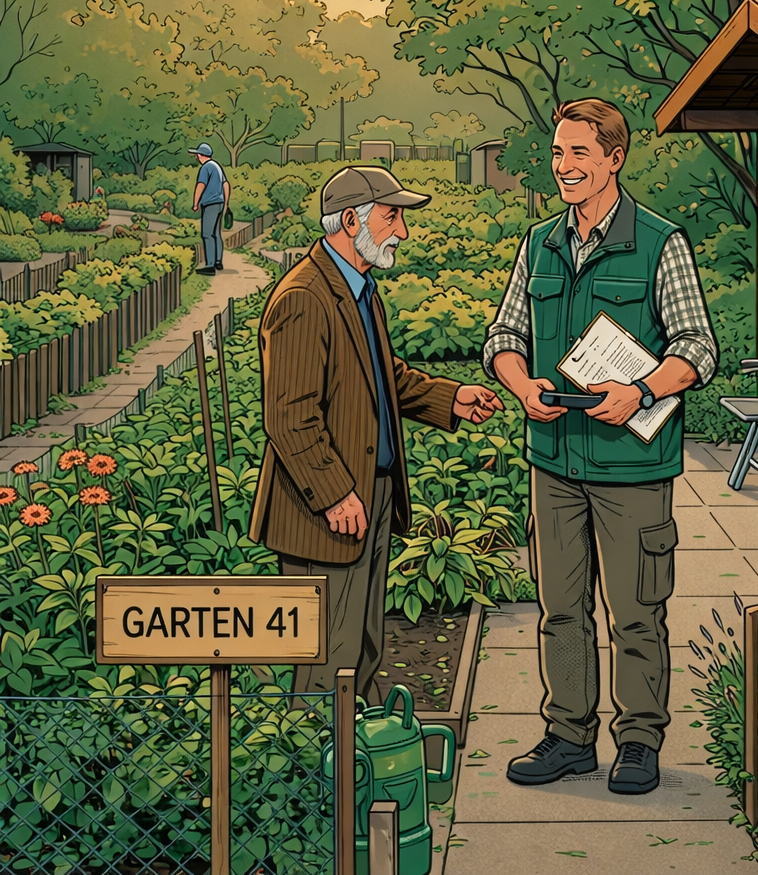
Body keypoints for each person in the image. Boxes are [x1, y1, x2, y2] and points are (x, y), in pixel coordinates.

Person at [483, 98, 719, 794]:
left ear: (615, 159)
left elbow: (698, 349)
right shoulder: (539, 244)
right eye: (559, 154)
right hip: (553, 463)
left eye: (579, 153)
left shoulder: (659, 241)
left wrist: (643, 390)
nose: (564, 167)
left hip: (633, 468)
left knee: (637, 612)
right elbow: (503, 337)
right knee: (560, 610)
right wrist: (521, 383)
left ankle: (640, 741)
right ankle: (567, 736)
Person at [248, 164, 503, 704]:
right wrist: (336, 492)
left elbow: (383, 378)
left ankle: (353, 760)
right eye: (392, 219)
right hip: (327, 508)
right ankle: (320, 773)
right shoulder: (304, 297)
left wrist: (450, 398)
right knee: (326, 657)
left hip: (372, 492)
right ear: (348, 219)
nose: (402, 233)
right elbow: (290, 415)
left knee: (362, 644)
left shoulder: (358, 288)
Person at [188, 141, 230, 275]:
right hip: (219, 203)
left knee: (207, 234)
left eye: (197, 155)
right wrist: (226, 203)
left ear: (201, 155)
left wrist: (195, 203)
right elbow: (226, 184)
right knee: (216, 233)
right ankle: (218, 261)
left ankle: (210, 266)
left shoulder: (206, 167)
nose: (197, 157)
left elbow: (201, 185)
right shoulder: (217, 166)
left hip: (210, 204)